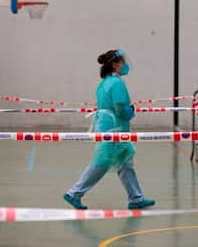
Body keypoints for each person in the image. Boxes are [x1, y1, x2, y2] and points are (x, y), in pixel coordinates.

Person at [63, 49, 155, 210]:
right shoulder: (117, 83)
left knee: (125, 162)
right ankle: (74, 193)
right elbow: (120, 108)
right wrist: (131, 111)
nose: (125, 65)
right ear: (115, 64)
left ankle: (136, 198)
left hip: (107, 125)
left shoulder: (104, 82)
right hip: (114, 128)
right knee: (102, 162)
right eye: (122, 62)